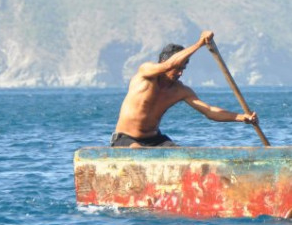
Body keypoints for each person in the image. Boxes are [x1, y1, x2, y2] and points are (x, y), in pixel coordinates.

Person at [110, 30, 258, 147]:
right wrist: (199, 43)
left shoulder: (180, 91)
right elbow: (169, 65)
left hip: (155, 140)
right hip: (126, 139)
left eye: (184, 68)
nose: (180, 73)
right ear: (164, 61)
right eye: (178, 68)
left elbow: (210, 111)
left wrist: (242, 117)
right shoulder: (145, 72)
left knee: (183, 155)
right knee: (138, 152)